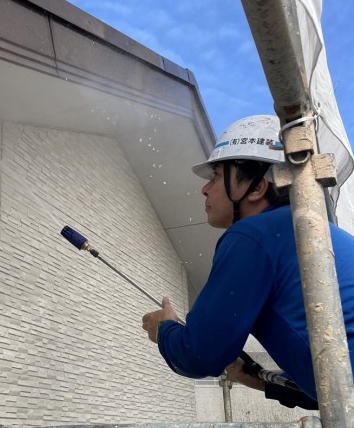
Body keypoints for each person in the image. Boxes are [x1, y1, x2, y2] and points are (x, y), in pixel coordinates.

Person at [141, 115, 354, 409]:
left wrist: (164, 330)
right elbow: (333, 387)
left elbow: (199, 354)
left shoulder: (253, 235)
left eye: (216, 175)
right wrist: (256, 379)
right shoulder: (315, 235)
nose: (205, 189)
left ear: (256, 188)